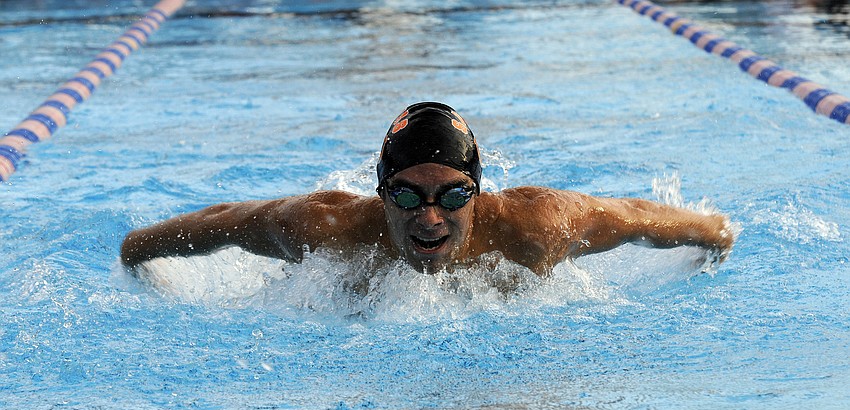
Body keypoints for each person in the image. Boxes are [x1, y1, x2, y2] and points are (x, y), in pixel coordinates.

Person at [120, 102, 734, 277]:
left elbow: (636, 217)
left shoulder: (537, 227)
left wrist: (715, 235)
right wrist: (137, 249)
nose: (431, 217)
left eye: (454, 195)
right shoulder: (326, 230)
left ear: (479, 191)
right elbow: (224, 221)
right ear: (382, 194)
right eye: (410, 196)